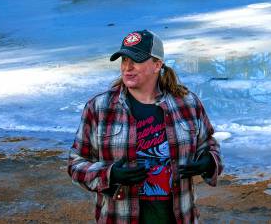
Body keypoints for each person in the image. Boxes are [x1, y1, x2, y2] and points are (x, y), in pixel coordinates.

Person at [68, 30, 222, 224]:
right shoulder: (100, 108)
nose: (127, 67)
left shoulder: (187, 103)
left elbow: (210, 146)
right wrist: (110, 174)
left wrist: (208, 162)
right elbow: (75, 164)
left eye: (136, 60)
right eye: (124, 60)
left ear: (157, 65)